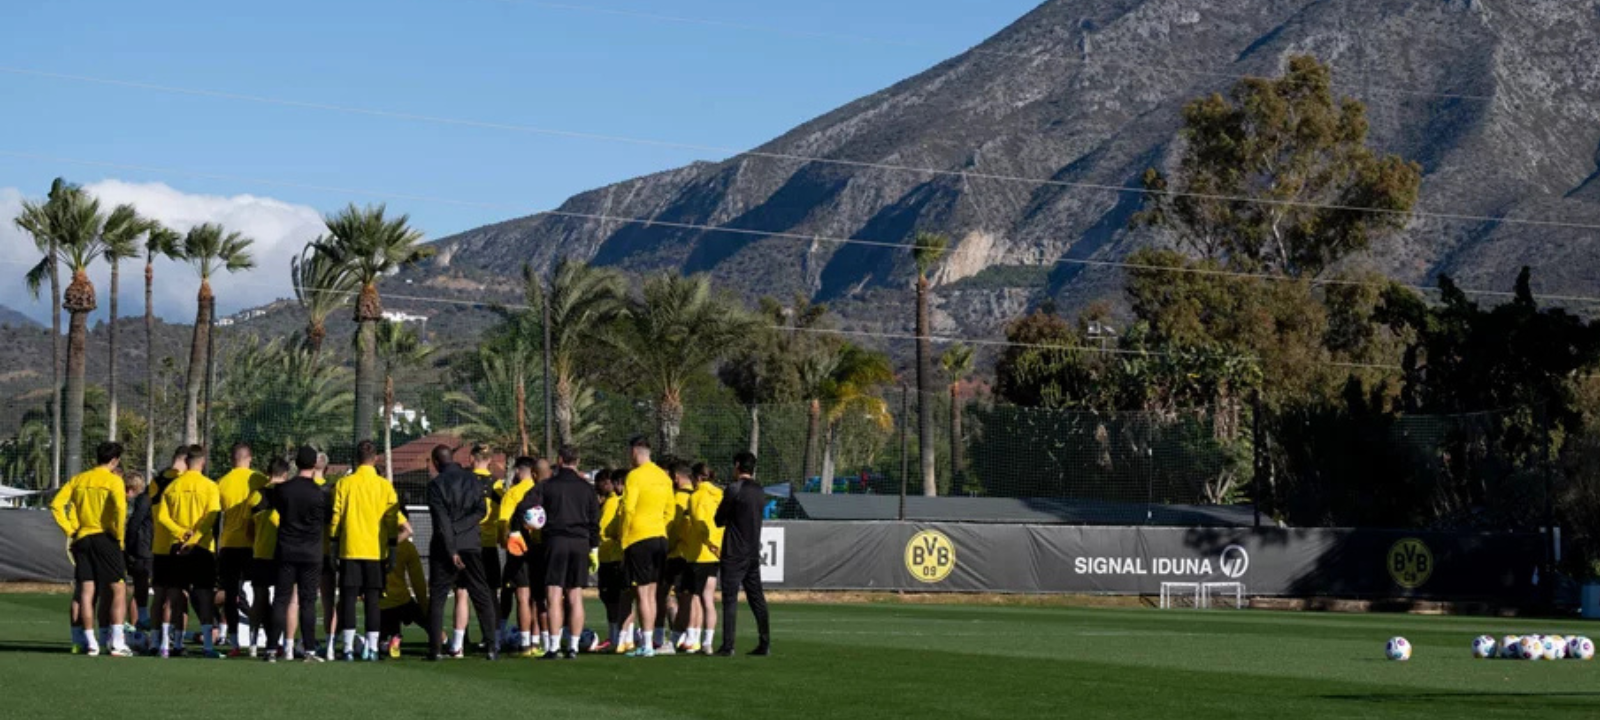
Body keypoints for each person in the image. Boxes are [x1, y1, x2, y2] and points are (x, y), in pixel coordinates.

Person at [50, 441, 132, 657]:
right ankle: (116, 643)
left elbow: (56, 504)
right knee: (119, 589)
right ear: (115, 461)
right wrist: (119, 536)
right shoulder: (114, 481)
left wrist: (70, 529)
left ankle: (90, 642)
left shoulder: (79, 479)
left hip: (82, 538)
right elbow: (120, 509)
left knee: (86, 591)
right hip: (105, 537)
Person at [330, 440, 403, 661]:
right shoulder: (384, 486)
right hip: (375, 550)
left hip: (350, 548)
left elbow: (336, 516)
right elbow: (392, 520)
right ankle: (371, 649)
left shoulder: (345, 484)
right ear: (376, 459)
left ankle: (349, 648)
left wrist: (333, 543)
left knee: (349, 598)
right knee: (373, 599)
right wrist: (392, 547)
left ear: (356, 458)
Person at [426, 444, 500, 661]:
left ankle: (436, 649)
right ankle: (491, 646)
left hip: (444, 547)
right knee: (481, 593)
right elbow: (481, 510)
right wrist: (463, 528)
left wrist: (452, 546)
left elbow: (441, 521)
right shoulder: (472, 481)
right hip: (471, 544)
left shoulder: (436, 484)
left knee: (438, 598)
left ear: (436, 462)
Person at [153, 445, 222, 659]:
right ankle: (208, 647)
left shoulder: (173, 486)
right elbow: (211, 517)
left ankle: (167, 644)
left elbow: (163, 517)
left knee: (174, 595)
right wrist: (193, 538)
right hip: (201, 547)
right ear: (202, 462)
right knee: (204, 596)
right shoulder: (210, 486)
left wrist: (180, 533)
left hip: (177, 546)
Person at [265, 446, 329, 664]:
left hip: (286, 549)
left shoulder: (283, 490)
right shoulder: (320, 493)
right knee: (308, 601)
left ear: (296, 464)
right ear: (314, 465)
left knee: (281, 599)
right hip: (311, 552)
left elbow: (274, 507)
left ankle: (272, 648)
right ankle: (309, 649)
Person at [537, 445, 600, 660]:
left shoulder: (548, 486)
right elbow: (594, 521)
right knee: (575, 596)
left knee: (553, 594)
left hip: (555, 541)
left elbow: (527, 507)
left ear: (560, 459)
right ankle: (573, 646)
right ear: (578, 461)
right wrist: (594, 547)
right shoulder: (587, 489)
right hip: (580, 543)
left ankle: (553, 647)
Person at [619, 435, 673, 658]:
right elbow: (670, 511)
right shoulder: (663, 477)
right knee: (652, 592)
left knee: (642, 592)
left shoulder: (634, 476)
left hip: (639, 538)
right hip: (659, 537)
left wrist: (624, 539)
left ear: (634, 452)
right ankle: (649, 642)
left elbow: (628, 510)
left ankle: (647, 644)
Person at [714, 451, 770, 656]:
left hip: (734, 551)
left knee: (730, 599)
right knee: (757, 598)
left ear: (737, 465)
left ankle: (728, 645)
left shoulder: (734, 489)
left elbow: (718, 519)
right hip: (753, 551)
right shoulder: (760, 491)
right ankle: (765, 642)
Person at [215, 442, 268, 654]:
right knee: (258, 592)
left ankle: (235, 642)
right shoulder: (259, 480)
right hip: (253, 545)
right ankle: (256, 639)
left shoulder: (221, 482)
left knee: (230, 594)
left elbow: (215, 516)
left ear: (231, 459)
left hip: (228, 544)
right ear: (250, 458)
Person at [496, 456, 541, 656]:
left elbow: (503, 521)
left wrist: (503, 540)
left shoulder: (513, 493)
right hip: (540, 549)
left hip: (519, 550)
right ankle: (536, 641)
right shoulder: (542, 490)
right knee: (537, 597)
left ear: (518, 471)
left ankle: (523, 643)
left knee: (521, 596)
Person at [247, 458, 291, 659]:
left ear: (267, 472)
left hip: (260, 553)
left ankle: (254, 643)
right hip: (283, 554)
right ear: (286, 474)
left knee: (259, 599)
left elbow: (249, 530)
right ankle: (283, 644)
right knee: (284, 601)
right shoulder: (289, 495)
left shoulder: (256, 495)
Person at [462, 444, 503, 656]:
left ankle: (461, 639)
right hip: (488, 544)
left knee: (462, 592)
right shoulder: (496, 485)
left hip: (467, 540)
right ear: (490, 460)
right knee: (491, 593)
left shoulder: (465, 482)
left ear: (471, 458)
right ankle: (493, 637)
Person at [147, 447, 188, 652]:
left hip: (158, 545)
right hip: (178, 544)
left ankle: (156, 641)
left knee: (159, 596)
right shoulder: (183, 482)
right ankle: (175, 642)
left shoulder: (156, 481)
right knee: (178, 597)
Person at [685, 461, 724, 655]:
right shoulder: (720, 495)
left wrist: (708, 543)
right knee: (708, 599)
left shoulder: (696, 497)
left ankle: (694, 639)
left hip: (699, 553)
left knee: (695, 598)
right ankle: (708, 641)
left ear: (698, 478)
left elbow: (699, 524)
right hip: (715, 554)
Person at [593, 469, 629, 653]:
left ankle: (617, 635)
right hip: (613, 556)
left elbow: (603, 529)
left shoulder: (612, 502)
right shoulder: (617, 501)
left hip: (611, 556)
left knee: (612, 597)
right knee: (616, 597)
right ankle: (621, 635)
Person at [379, 534, 428, 659]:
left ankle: (384, 642)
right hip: (402, 601)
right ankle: (446, 642)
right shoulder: (407, 546)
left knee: (378, 631)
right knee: (430, 622)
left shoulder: (374, 542)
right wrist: (424, 606)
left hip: (380, 604)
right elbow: (418, 581)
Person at [666, 461, 696, 652]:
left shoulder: (678, 499)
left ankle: (674, 637)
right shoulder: (698, 496)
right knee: (693, 598)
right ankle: (692, 637)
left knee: (669, 596)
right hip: (694, 554)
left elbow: (674, 528)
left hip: (677, 554)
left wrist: (666, 546)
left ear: (676, 478)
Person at [124, 472, 153, 633]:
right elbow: (135, 523)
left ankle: (137, 623)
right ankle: (137, 624)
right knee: (141, 586)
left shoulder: (141, 500)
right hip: (143, 548)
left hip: (142, 547)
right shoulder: (143, 499)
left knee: (140, 586)